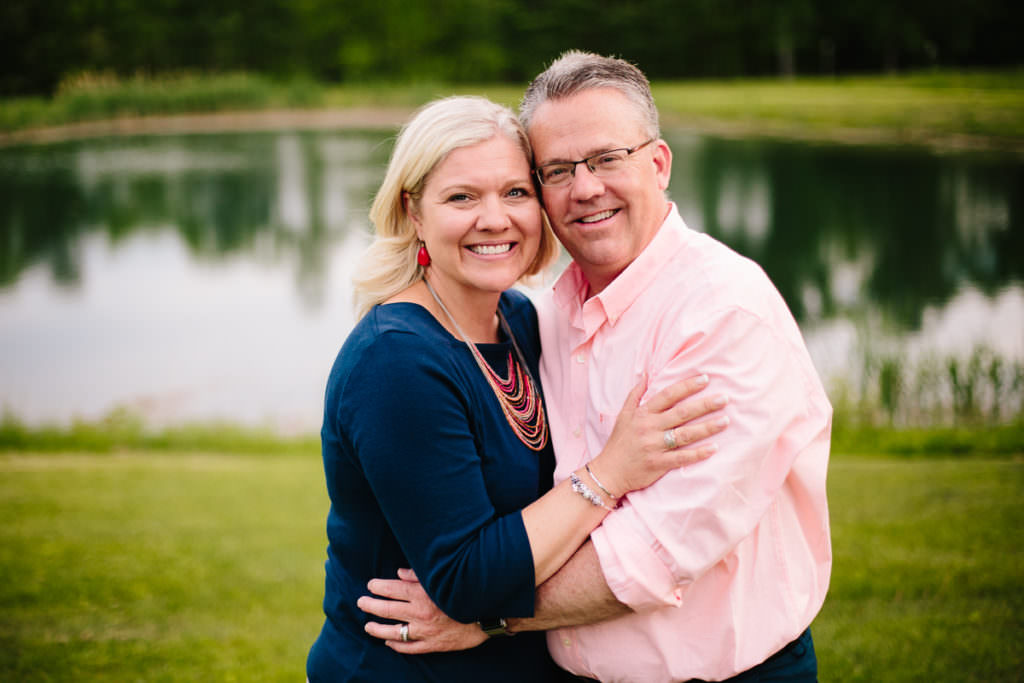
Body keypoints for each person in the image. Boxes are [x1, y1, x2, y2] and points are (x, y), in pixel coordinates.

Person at [360, 52, 833, 682]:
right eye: (557, 170)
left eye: (608, 158)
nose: (585, 188)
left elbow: (655, 551)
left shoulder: (724, 314)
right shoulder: (545, 316)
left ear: (659, 164)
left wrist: (486, 617)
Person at [306, 95, 730, 682]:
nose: (494, 218)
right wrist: (613, 471)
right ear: (413, 212)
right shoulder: (396, 360)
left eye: (515, 192)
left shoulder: (518, 318)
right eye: (462, 197)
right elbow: (467, 580)